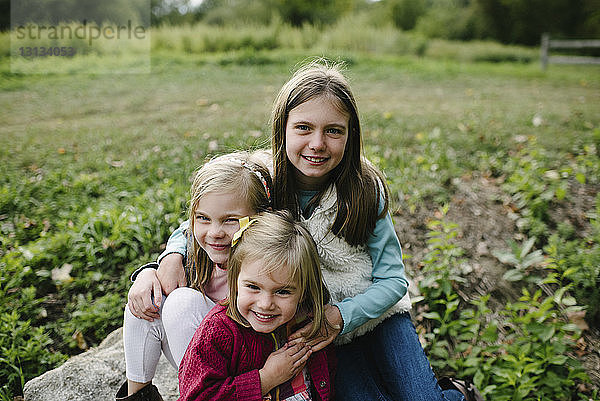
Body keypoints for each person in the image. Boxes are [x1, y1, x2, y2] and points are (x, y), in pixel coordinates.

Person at [153, 60, 482, 401]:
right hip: (315, 331)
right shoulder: (265, 179)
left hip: (373, 314)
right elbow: (210, 220)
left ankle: (457, 394)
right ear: (282, 129)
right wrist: (171, 255)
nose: (317, 144)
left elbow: (394, 281)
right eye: (303, 128)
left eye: (334, 131)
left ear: (350, 135)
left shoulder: (364, 189)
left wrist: (341, 316)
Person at [116, 151, 273, 401]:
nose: (215, 233)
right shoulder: (196, 258)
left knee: (181, 303)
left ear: (262, 216)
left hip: (243, 375)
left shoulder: (269, 263)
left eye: (230, 220)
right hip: (204, 365)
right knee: (146, 303)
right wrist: (148, 273)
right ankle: (138, 396)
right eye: (203, 219)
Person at [178, 210, 335, 401]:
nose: (265, 304)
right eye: (253, 287)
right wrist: (265, 379)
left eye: (283, 291)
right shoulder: (218, 332)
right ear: (234, 280)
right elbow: (197, 397)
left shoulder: (307, 323)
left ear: (303, 291)